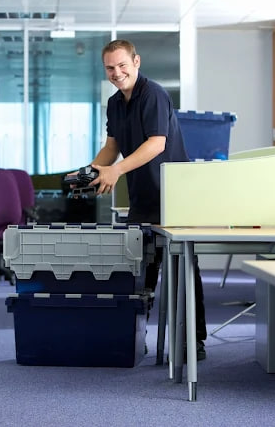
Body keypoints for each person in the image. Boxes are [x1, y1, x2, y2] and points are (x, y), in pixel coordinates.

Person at [86, 39, 208, 360]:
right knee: (138, 272)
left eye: (122, 65)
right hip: (142, 198)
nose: (117, 73)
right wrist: (92, 172)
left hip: (174, 198)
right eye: (110, 68)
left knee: (181, 272)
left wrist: (116, 171)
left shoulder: (153, 94)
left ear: (136, 62)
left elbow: (156, 144)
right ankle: (134, 335)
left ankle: (193, 341)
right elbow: (112, 147)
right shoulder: (115, 103)